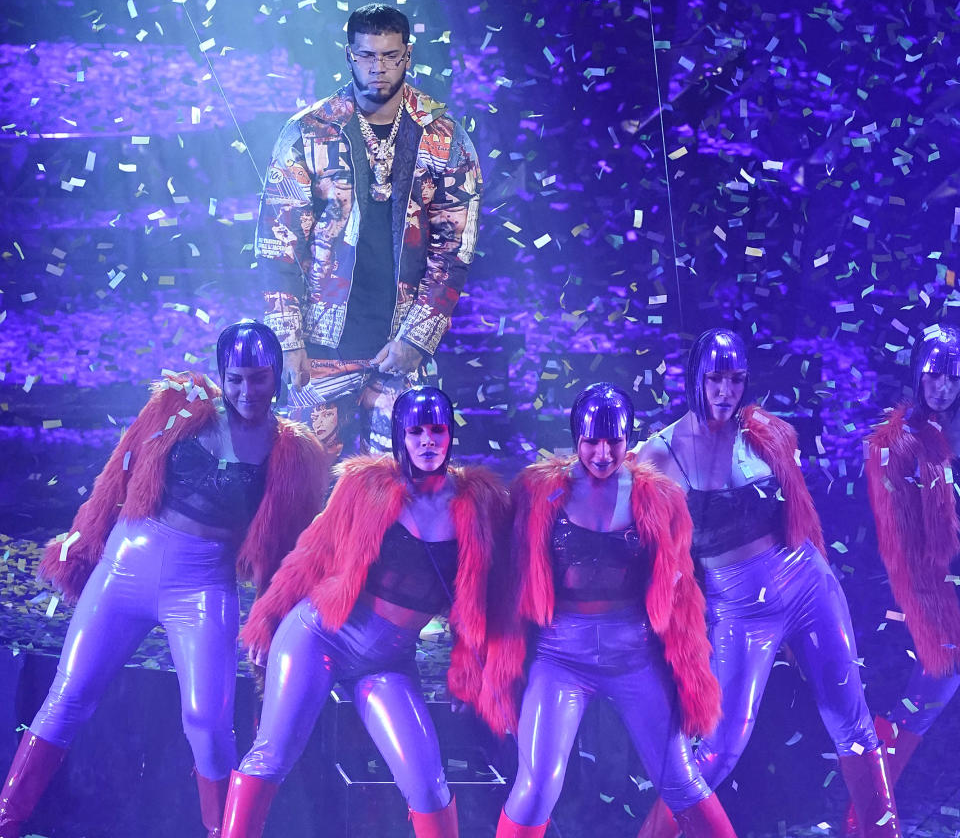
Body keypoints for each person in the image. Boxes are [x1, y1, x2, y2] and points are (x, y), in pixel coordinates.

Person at [0, 321, 327, 838]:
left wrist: (272, 621)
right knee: (68, 695)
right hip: (125, 564)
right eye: (237, 378)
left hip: (201, 587)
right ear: (222, 375)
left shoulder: (293, 453)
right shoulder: (179, 405)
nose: (248, 391)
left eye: (260, 379)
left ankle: (226, 832)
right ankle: (6, 823)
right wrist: (82, 548)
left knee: (208, 722)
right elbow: (117, 476)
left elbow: (288, 551)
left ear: (277, 376)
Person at [636, 329, 900, 838]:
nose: (725, 391)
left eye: (735, 380)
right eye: (715, 378)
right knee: (716, 751)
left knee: (854, 723)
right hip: (738, 607)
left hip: (806, 581)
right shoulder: (661, 452)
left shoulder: (763, 434)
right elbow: (623, 528)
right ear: (696, 377)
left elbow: (796, 509)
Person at [219, 384, 506, 838]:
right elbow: (312, 553)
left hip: (389, 662)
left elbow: (483, 597)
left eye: (437, 430)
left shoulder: (480, 505)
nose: (427, 441)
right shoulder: (365, 484)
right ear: (399, 436)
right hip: (320, 635)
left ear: (451, 436)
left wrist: (470, 664)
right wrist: (268, 617)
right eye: (416, 432)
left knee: (427, 784)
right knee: (272, 754)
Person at [480, 383, 738, 838]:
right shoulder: (537, 492)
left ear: (628, 437)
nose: (602, 453)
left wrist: (691, 661)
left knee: (680, 777)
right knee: (538, 784)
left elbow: (680, 592)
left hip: (634, 655)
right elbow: (501, 567)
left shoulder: (660, 497)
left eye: (613, 441)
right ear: (575, 436)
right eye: (591, 441)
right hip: (560, 656)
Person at [256, 2, 482, 457]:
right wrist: (288, 341)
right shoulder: (308, 131)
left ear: (408, 55)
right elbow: (277, 243)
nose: (379, 68)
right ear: (349, 56)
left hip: (398, 347)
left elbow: (454, 249)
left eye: (390, 56)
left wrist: (416, 340)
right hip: (319, 346)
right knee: (308, 482)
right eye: (367, 56)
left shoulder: (443, 134)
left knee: (391, 488)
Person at [854, 326, 960, 817]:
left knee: (931, 694)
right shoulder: (897, 442)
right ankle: (866, 812)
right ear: (918, 375)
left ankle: (870, 811)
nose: (943, 387)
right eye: (935, 376)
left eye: (953, 379)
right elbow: (894, 530)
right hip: (920, 589)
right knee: (920, 696)